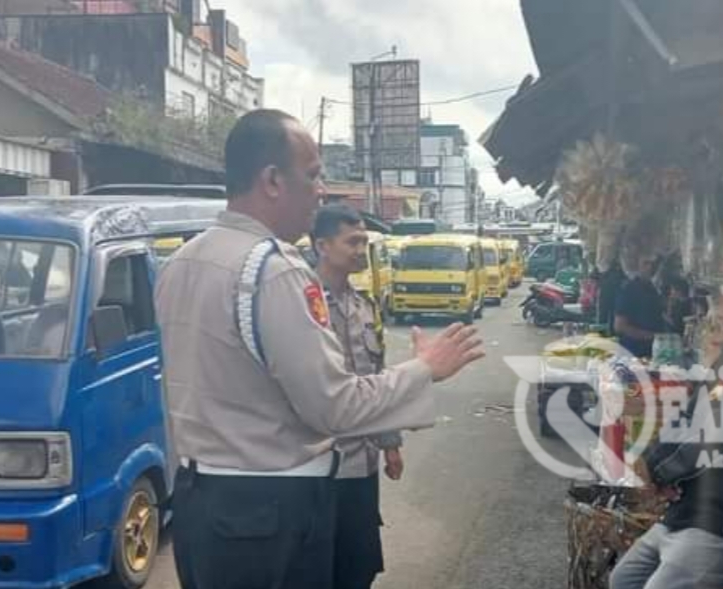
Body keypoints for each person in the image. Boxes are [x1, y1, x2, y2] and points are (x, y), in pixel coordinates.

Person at [155, 109, 485, 589]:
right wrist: (424, 369)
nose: (321, 191)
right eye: (312, 176)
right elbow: (334, 406)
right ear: (272, 180)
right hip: (268, 515)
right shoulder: (274, 271)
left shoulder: (181, 262)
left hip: (198, 502)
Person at [610, 259, 723, 589]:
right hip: (690, 508)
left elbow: (719, 430)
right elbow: (689, 412)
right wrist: (655, 460)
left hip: (719, 518)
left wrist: (660, 470)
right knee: (623, 579)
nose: (717, 310)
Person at [311, 204, 403, 589]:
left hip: (362, 462)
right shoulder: (302, 305)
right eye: (352, 242)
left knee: (359, 566)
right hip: (319, 466)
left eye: (363, 241)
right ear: (322, 246)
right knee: (319, 567)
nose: (361, 249)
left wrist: (390, 443)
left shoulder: (365, 306)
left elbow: (377, 377)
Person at [613, 255, 665, 358]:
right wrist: (650, 336)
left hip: (652, 352)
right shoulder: (629, 289)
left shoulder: (653, 289)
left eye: (653, 264)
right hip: (633, 353)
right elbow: (619, 326)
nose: (650, 267)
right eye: (646, 263)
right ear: (637, 266)